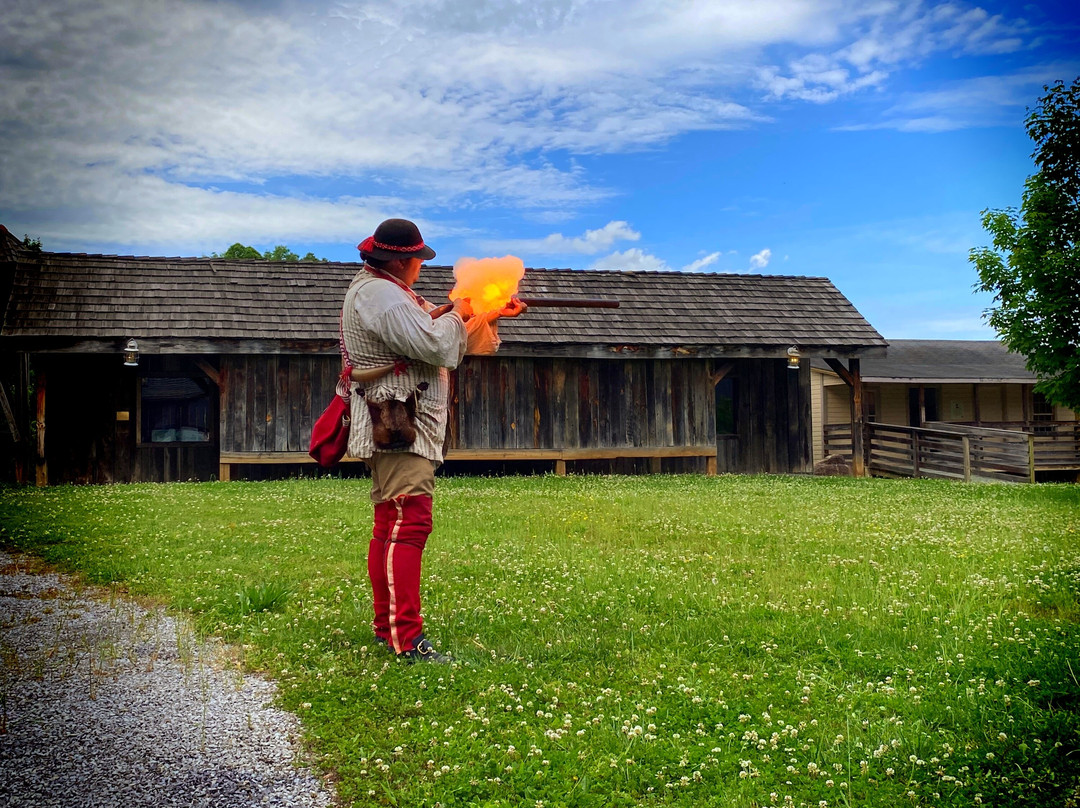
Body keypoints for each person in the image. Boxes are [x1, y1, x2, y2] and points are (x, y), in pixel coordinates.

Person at [342, 218, 525, 663]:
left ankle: (388, 628)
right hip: (398, 421)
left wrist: (487, 311)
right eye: (418, 260)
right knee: (409, 525)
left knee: (392, 524)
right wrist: (462, 314)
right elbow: (438, 345)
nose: (421, 268)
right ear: (404, 261)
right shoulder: (382, 295)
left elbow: (432, 328)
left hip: (399, 418)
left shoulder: (386, 290)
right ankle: (405, 638)